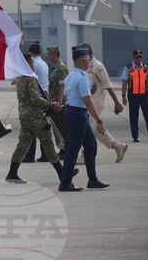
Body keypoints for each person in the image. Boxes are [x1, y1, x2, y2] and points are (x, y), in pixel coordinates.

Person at [5, 53, 75, 184]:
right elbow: (35, 99)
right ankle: (63, 174)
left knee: (23, 145)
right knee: (48, 143)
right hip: (35, 116)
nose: (34, 66)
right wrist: (51, 104)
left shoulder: (20, 79)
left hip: (25, 115)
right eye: (32, 63)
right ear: (26, 65)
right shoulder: (30, 79)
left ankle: (12, 173)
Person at [58, 45, 109, 192]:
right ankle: (65, 182)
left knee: (91, 145)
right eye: (88, 60)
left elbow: (69, 96)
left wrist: (87, 93)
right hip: (78, 114)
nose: (89, 62)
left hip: (72, 111)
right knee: (74, 148)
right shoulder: (82, 78)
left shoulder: (70, 76)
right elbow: (87, 101)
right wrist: (99, 120)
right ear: (84, 62)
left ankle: (92, 179)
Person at [82, 43, 127, 163]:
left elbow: (108, 85)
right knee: (96, 129)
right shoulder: (84, 65)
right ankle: (117, 146)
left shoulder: (98, 66)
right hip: (87, 100)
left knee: (88, 128)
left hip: (97, 101)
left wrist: (117, 102)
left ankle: (84, 154)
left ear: (89, 54)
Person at [23, 42, 50, 162]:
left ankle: (30, 155)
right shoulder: (43, 63)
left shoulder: (34, 64)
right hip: (45, 94)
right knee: (42, 126)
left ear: (30, 53)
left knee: (31, 126)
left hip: (36, 95)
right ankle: (45, 154)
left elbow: (29, 80)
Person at [121, 49, 148, 142]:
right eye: (137, 57)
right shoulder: (128, 68)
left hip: (145, 95)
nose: (139, 59)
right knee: (133, 116)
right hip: (133, 95)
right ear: (133, 58)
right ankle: (135, 137)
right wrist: (123, 96)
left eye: (140, 57)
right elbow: (124, 83)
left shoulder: (146, 68)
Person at [47, 45, 69, 152]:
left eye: (50, 54)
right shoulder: (55, 67)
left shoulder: (61, 68)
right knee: (57, 129)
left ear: (55, 55)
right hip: (54, 102)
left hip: (59, 104)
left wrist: (60, 103)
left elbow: (62, 86)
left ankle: (65, 150)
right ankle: (62, 150)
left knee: (62, 129)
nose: (48, 56)